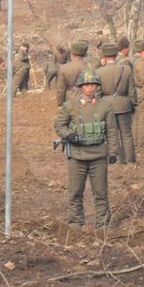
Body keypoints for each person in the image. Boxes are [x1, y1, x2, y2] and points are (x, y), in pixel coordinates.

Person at [54, 70, 119, 228]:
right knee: (75, 192)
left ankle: (103, 225)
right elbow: (59, 125)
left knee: (101, 193)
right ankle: (75, 223)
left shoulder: (105, 105)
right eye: (87, 85)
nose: (90, 88)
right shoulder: (70, 106)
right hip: (77, 156)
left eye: (93, 85)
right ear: (81, 87)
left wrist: (113, 152)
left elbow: (111, 130)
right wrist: (69, 135)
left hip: (98, 155)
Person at [96, 42, 136, 165]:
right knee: (127, 134)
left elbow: (97, 93)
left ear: (104, 55)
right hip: (124, 104)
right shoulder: (127, 69)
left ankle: (117, 159)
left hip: (107, 105)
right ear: (116, 54)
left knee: (111, 134)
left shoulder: (99, 72)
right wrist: (132, 104)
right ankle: (130, 160)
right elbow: (132, 91)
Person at [56, 41, 89, 106]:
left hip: (70, 98)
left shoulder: (64, 68)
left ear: (72, 54)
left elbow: (61, 88)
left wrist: (60, 103)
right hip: (87, 98)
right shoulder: (89, 66)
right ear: (85, 54)